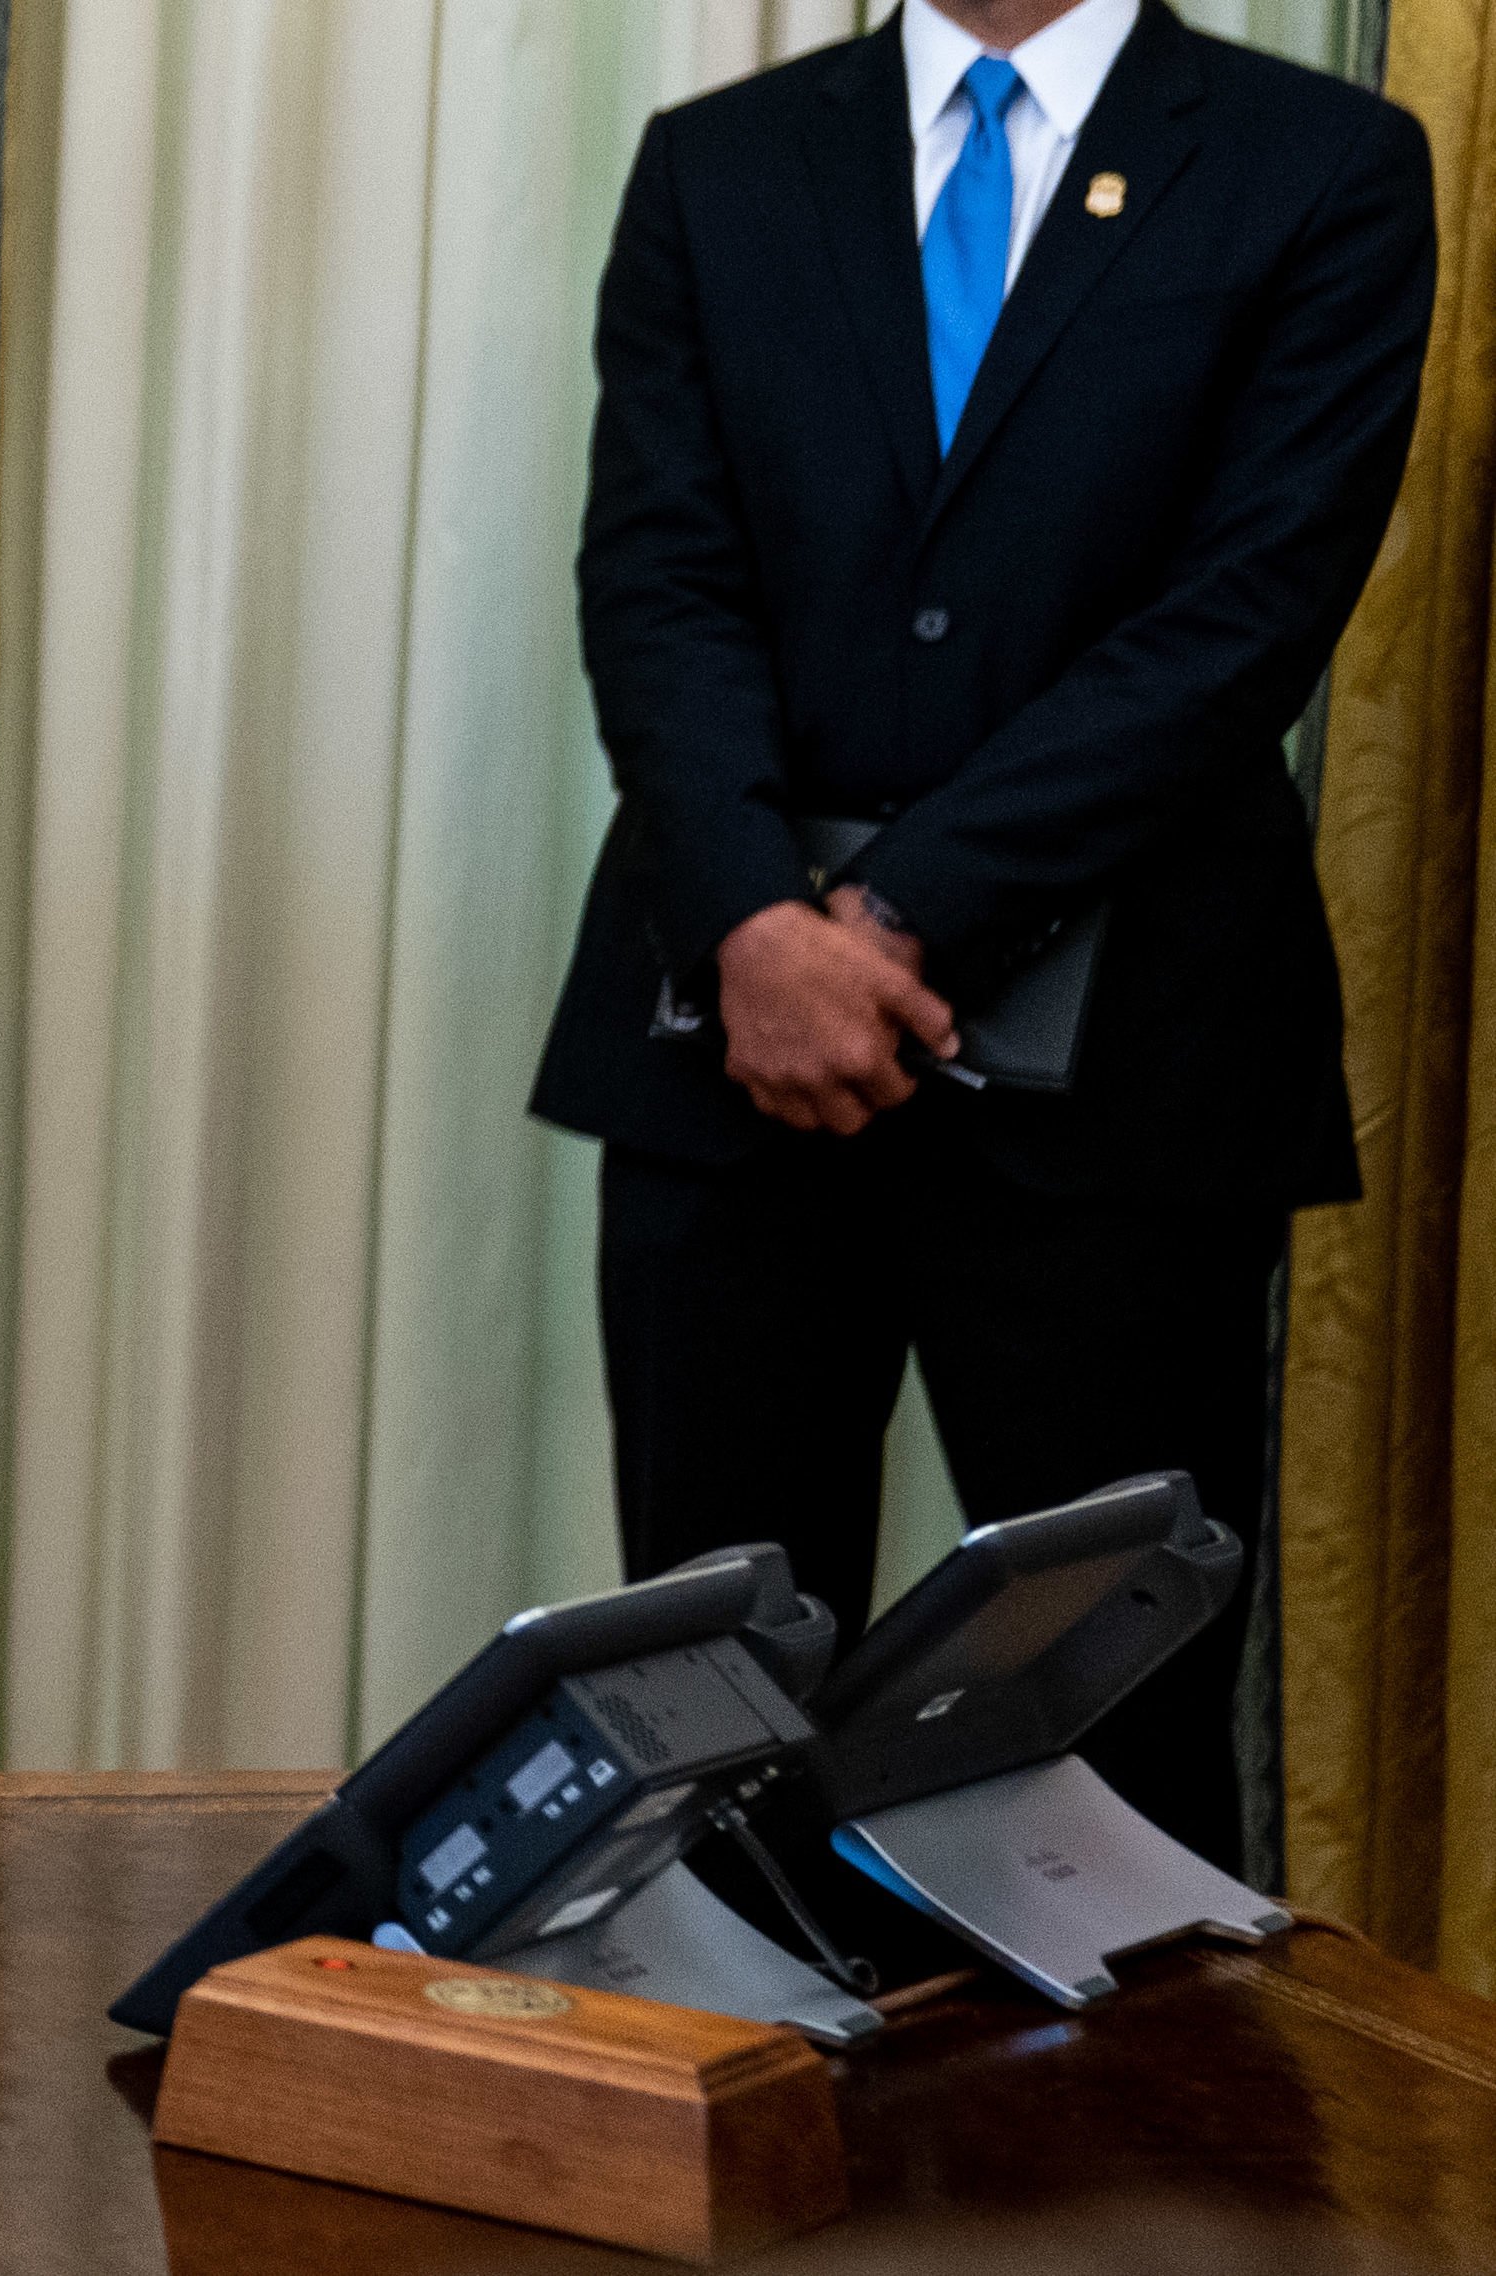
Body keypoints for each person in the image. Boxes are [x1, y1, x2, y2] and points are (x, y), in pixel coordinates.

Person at [547, 0, 1429, 1871]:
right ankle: (746, 2120)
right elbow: (655, 573)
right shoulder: (723, 162)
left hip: (1130, 1077)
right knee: (711, 1716)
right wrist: (754, 933)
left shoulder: (1324, 165)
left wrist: (893, 911)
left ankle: (1114, 2171)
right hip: (733, 1062)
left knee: (1120, 1749)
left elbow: (1246, 612)